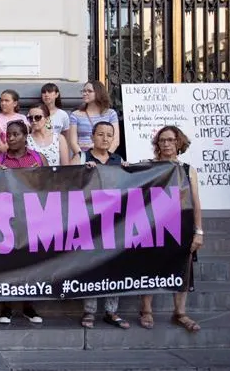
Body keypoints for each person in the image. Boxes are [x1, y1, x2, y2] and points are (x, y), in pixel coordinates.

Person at [139, 126, 204, 333]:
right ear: (157, 144)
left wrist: (199, 232)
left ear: (179, 142)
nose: (166, 144)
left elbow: (195, 201)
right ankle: (146, 310)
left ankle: (180, 313)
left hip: (181, 226)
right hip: (153, 226)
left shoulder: (187, 170)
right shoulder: (149, 167)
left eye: (170, 140)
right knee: (149, 267)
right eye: (162, 140)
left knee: (182, 268)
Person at [0, 121, 47, 325]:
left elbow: (49, 184)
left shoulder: (38, 158)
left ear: (26, 136)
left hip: (31, 218)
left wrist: (36, 176)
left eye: (15, 134)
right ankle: (6, 306)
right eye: (8, 135)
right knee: (7, 262)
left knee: (29, 261)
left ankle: (28, 305)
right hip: (6, 219)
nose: (11, 138)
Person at [78, 121, 130, 329]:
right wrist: (82, 171)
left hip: (115, 222)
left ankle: (111, 311)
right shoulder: (83, 158)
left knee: (113, 265)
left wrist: (129, 172)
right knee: (92, 264)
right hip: (90, 221)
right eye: (101, 134)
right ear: (92, 137)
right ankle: (89, 311)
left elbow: (129, 187)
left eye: (109, 135)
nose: (105, 138)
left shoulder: (118, 160)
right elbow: (71, 184)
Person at [68, 80, 119, 157]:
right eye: (84, 91)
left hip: (104, 158)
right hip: (83, 158)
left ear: (99, 93)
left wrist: (105, 158)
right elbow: (73, 142)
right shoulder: (75, 115)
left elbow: (115, 141)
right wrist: (83, 157)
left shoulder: (110, 114)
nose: (85, 93)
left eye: (89, 91)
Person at [0, 89, 28, 156]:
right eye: (1, 100)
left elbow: (25, 136)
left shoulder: (22, 118)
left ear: (15, 103)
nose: (3, 103)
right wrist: (5, 148)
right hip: (1, 156)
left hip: (20, 155)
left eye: (6, 100)